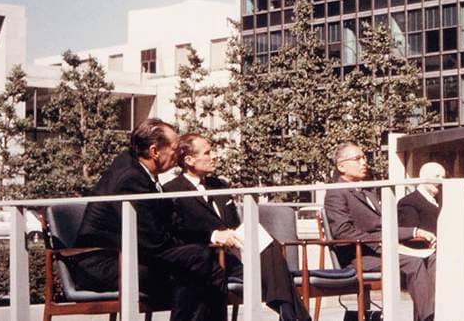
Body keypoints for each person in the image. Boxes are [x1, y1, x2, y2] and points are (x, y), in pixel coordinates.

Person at [73, 119, 229, 321]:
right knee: (198, 263)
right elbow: (154, 240)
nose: (179, 154)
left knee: (204, 267)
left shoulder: (139, 170)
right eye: (175, 149)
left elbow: (168, 226)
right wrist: (195, 246)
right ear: (155, 151)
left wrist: (207, 237)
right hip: (104, 264)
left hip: (130, 256)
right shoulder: (131, 179)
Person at [163, 134, 310, 321]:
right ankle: (293, 314)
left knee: (269, 244)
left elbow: (233, 224)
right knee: (277, 269)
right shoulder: (172, 190)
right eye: (207, 153)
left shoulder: (220, 186)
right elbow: (179, 231)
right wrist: (213, 236)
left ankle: (289, 313)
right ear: (189, 160)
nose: (214, 156)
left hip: (234, 255)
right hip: (207, 260)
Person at [324, 142, 436, 321]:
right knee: (413, 263)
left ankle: (426, 317)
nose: (364, 162)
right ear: (341, 166)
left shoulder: (368, 191)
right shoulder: (336, 193)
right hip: (361, 255)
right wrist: (381, 243)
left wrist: (415, 232)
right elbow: (343, 232)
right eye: (358, 158)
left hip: (383, 249)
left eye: (364, 157)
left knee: (433, 258)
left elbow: (385, 225)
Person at [397, 162, 444, 235]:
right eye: (437, 176)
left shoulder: (442, 201)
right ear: (422, 177)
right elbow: (409, 236)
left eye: (443, 177)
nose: (441, 181)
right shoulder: (408, 203)